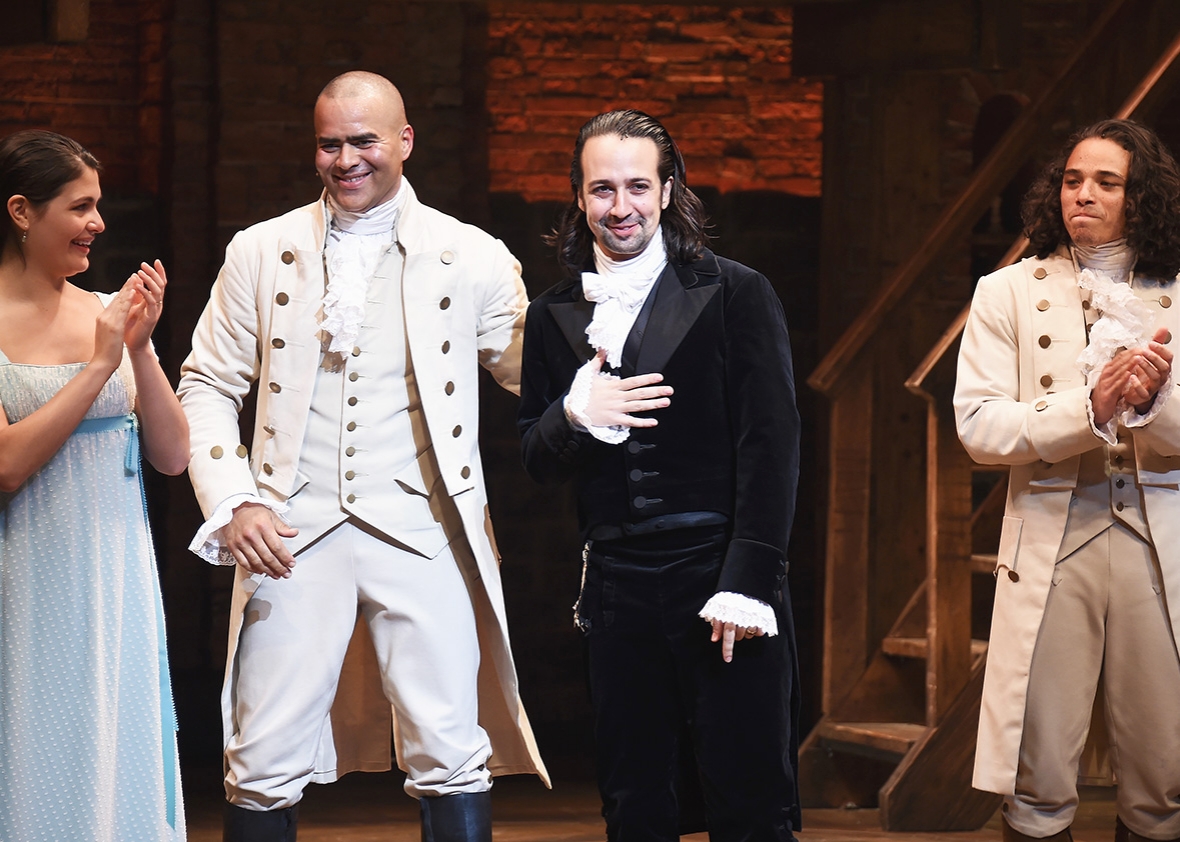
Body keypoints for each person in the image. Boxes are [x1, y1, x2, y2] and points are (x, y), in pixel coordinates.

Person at [177, 71, 547, 842]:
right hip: (291, 530)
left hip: (423, 527)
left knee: (450, 747)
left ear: (404, 141)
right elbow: (207, 382)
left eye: (364, 141)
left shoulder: (467, 254)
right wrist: (235, 499)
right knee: (261, 756)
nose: (346, 159)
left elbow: (537, 372)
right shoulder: (261, 251)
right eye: (329, 143)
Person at [518, 109, 802, 841]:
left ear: (669, 190)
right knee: (636, 801)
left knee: (747, 797)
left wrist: (749, 579)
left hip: (717, 574)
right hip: (616, 585)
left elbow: (771, 446)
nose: (621, 207)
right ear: (579, 199)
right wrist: (571, 416)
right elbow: (532, 460)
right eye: (602, 189)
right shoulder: (553, 314)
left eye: (638, 186)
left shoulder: (735, 291)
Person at [955, 118, 1180, 842]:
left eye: (1106, 182)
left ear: (1140, 196)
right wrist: (1090, 408)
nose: (1082, 194)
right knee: (1039, 765)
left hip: (1158, 540)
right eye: (1072, 179)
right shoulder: (1007, 293)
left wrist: (1149, 403)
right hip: (1057, 534)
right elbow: (981, 427)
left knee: (1163, 771)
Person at [0, 130, 190, 841]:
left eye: (99, 206)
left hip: (115, 575)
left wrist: (137, 349)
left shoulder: (109, 314)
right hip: (29, 572)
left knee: (116, 743)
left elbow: (172, 455)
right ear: (23, 211)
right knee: (38, 742)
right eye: (80, 207)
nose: (99, 224)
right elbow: (8, 464)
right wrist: (98, 364)